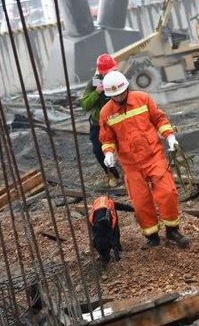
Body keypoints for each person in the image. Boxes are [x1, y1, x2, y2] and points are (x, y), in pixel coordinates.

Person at [98, 69, 190, 248]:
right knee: (140, 202)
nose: (118, 97)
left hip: (153, 156)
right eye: (114, 95)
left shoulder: (143, 98)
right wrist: (108, 153)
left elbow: (159, 119)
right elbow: (107, 138)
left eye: (121, 93)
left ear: (127, 88)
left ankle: (173, 231)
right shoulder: (106, 112)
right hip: (131, 164)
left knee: (168, 192)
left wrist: (170, 136)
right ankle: (152, 236)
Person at [81, 54, 121, 188]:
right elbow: (85, 105)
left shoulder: (118, 78)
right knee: (98, 150)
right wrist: (96, 92)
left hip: (117, 120)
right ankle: (111, 174)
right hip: (99, 123)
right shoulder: (94, 84)